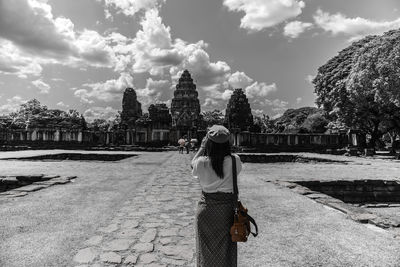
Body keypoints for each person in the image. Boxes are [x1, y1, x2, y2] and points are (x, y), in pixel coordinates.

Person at [191, 125, 242, 267]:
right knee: (226, 247)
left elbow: (192, 164)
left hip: (206, 210)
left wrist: (201, 148)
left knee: (205, 249)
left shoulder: (201, 162)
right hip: (226, 212)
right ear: (228, 142)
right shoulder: (235, 160)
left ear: (208, 142)